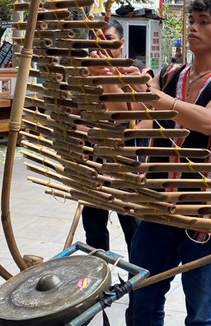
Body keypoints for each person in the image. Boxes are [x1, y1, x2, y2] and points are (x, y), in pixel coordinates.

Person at [127, 0, 211, 326]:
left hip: (203, 208)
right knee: (144, 299)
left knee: (200, 312)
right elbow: (145, 118)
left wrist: (156, 98)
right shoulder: (171, 74)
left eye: (203, 22)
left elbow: (209, 120)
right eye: (192, 21)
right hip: (157, 202)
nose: (193, 28)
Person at [82, 19, 141, 252]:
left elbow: (127, 116)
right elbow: (74, 117)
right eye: (97, 41)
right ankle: (100, 279)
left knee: (133, 227)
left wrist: (111, 80)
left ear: (121, 42)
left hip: (126, 162)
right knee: (94, 228)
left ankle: (140, 284)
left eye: (108, 39)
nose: (102, 46)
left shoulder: (135, 73)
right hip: (93, 161)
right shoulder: (84, 77)